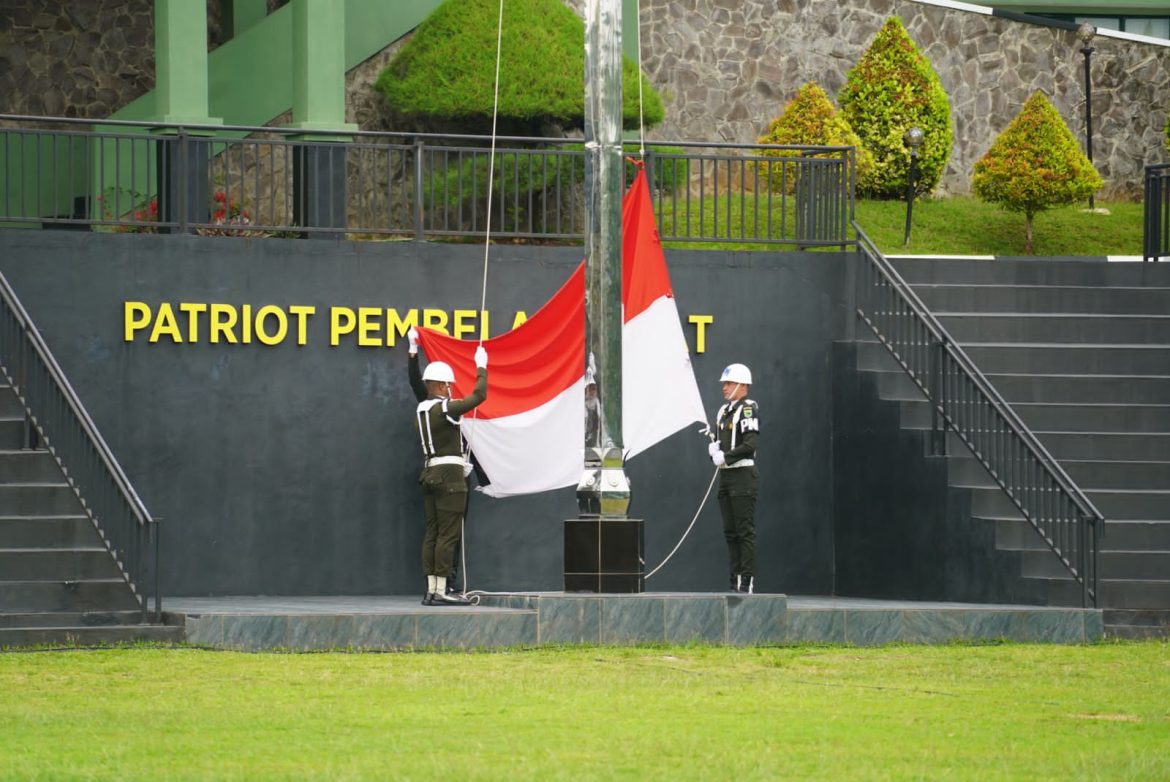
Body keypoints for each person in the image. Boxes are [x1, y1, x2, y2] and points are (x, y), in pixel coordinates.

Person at [407, 327, 487, 606]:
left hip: (429, 472)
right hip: (450, 475)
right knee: (449, 534)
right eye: (449, 386)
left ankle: (431, 588)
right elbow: (479, 397)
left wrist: (412, 352)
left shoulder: (422, 408)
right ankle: (441, 589)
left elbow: (415, 382)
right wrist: (481, 368)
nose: (451, 390)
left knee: (432, 533)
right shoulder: (445, 408)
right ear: (441, 386)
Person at [707, 363, 760, 594]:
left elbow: (750, 445)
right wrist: (713, 451)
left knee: (744, 530)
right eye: (724, 384)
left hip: (742, 475)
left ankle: (746, 581)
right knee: (730, 531)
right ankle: (734, 578)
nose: (724, 388)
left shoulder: (748, 409)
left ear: (742, 385)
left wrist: (724, 457)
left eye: (728, 383)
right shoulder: (722, 412)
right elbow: (721, 444)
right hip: (726, 477)